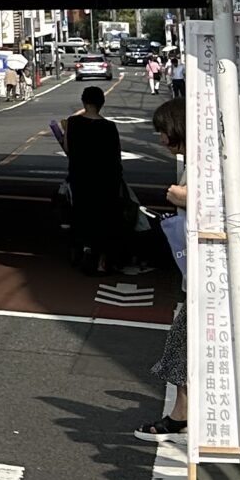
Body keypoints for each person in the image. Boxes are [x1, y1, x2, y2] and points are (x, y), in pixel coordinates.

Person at [134, 97, 191, 443]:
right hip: (199, 274)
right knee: (182, 343)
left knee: (184, 343)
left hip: (215, 278)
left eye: (163, 131)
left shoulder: (210, 163)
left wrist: (181, 197)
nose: (161, 139)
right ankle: (181, 415)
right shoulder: (198, 159)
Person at [62, 85, 139, 276]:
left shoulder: (73, 123)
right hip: (106, 178)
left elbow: (68, 149)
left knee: (81, 213)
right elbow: (116, 155)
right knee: (106, 217)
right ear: (102, 103)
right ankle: (103, 261)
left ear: (83, 101)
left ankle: (84, 252)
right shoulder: (109, 127)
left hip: (80, 176)